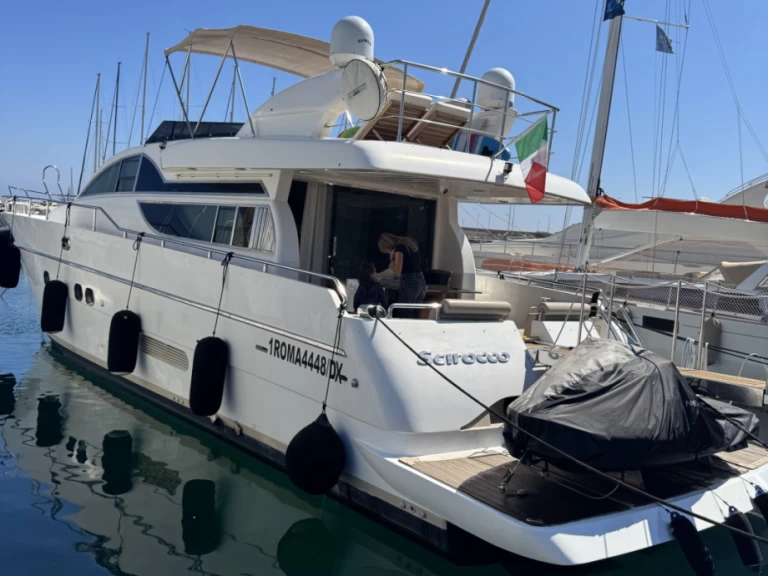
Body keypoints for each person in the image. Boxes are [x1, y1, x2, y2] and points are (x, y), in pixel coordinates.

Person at [377, 233, 426, 305]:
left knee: (404, 311)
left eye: (388, 251)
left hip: (409, 283)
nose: (388, 253)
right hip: (421, 282)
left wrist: (392, 260)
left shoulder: (399, 249)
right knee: (415, 312)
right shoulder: (409, 245)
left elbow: (397, 273)